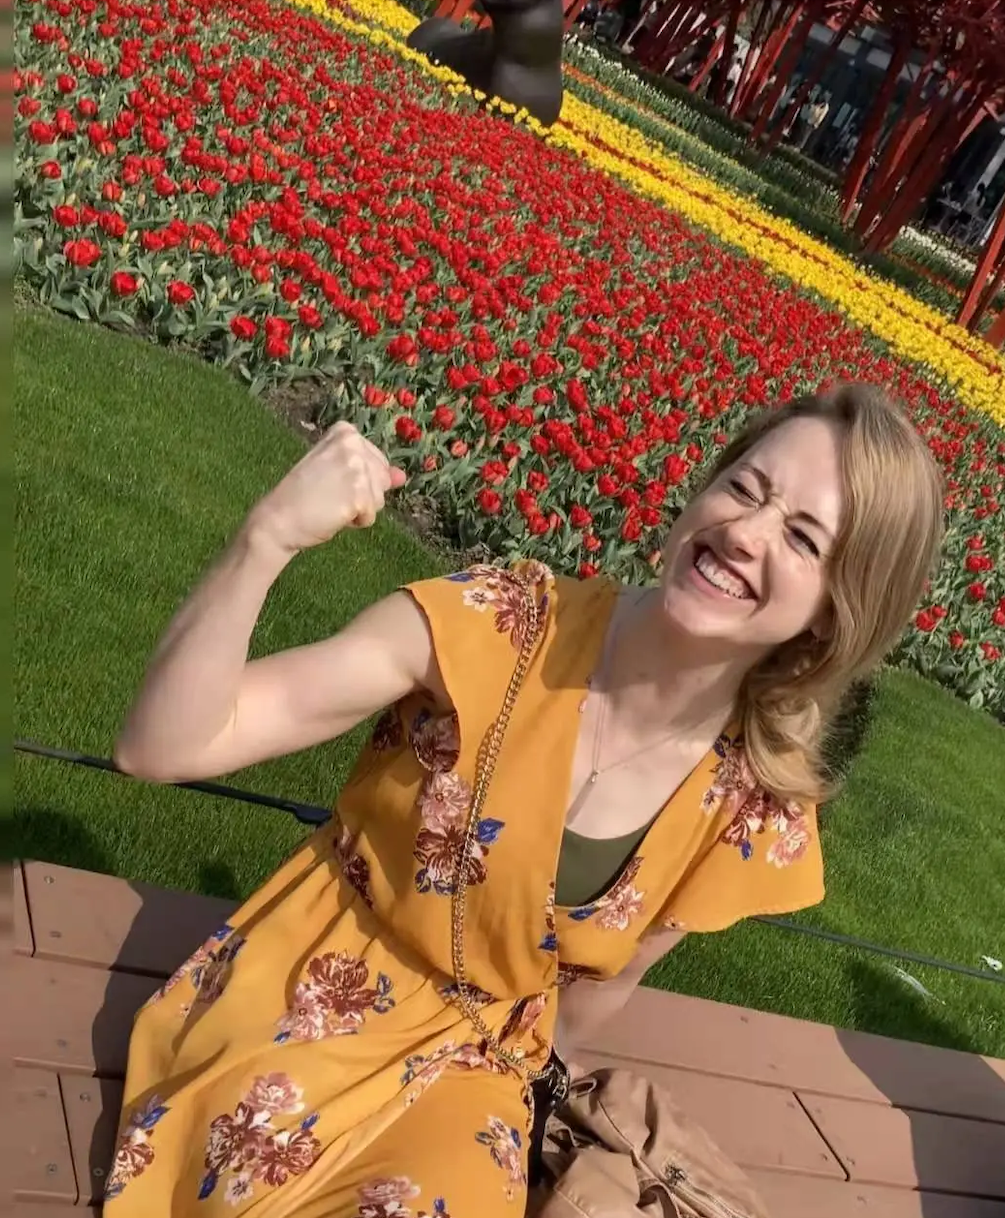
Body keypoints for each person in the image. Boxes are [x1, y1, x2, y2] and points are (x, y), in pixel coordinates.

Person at [106, 383, 943, 1216]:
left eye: (801, 538)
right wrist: (268, 537)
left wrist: (525, 1122)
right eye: (744, 489)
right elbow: (162, 747)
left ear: (835, 611)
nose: (744, 533)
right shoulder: (499, 626)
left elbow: (600, 991)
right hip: (306, 1000)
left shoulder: (748, 808)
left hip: (474, 1072)